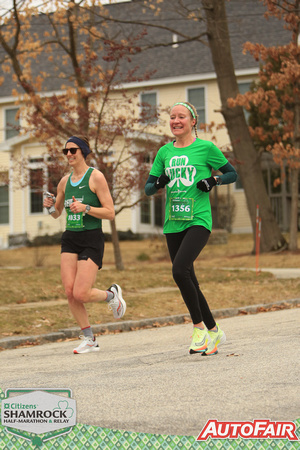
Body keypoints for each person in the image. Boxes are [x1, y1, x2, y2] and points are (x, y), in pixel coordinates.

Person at [145, 102, 237, 356]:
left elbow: (232, 174)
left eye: (181, 117)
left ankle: (198, 329)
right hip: (173, 222)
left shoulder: (206, 148)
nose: (176, 120)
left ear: (193, 121)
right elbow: (148, 188)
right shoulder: (164, 152)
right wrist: (160, 182)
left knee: (179, 270)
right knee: (190, 281)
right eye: (172, 117)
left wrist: (214, 180)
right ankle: (214, 331)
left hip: (198, 220)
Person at [43, 135, 126, 354]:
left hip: (91, 237)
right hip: (70, 237)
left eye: (73, 150)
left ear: (83, 152)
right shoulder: (64, 181)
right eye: (66, 151)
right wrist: (50, 206)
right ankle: (89, 339)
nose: (69, 154)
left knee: (81, 293)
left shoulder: (95, 177)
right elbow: (56, 213)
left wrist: (86, 208)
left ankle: (111, 295)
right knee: (70, 292)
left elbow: (110, 212)